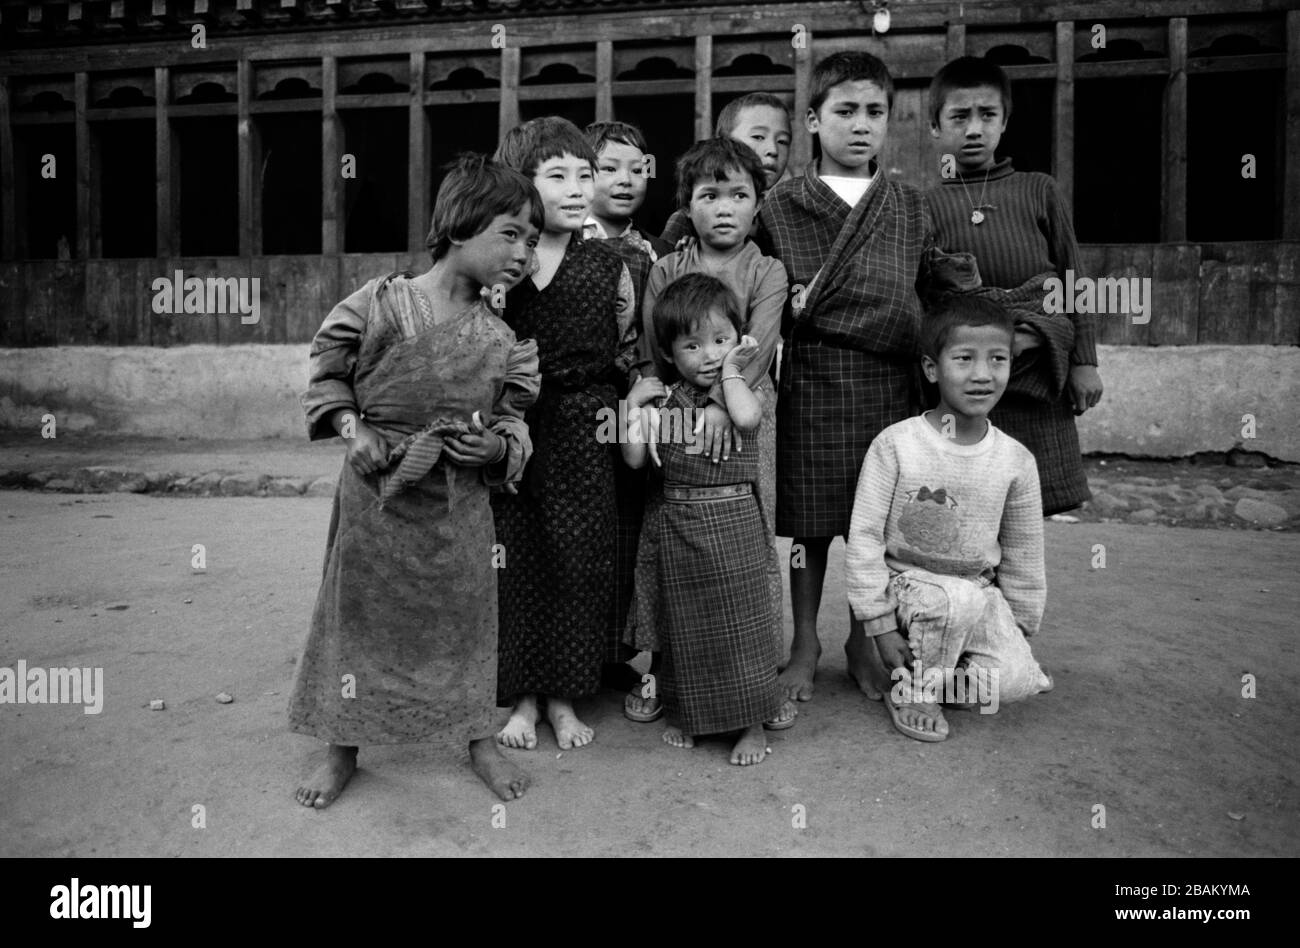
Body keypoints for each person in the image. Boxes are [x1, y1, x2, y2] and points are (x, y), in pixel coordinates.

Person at [290, 154, 543, 806]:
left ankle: (477, 739)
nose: (523, 253)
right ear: (459, 225)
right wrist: (355, 429)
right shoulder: (377, 303)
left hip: (459, 507)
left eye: (533, 241)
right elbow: (327, 374)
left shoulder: (504, 341)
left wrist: (493, 445)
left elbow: (515, 424)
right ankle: (342, 747)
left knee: (466, 624)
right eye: (510, 233)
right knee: (357, 622)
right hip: (376, 498)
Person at [757, 51, 934, 704]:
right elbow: (752, 280)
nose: (862, 125)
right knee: (810, 524)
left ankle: (866, 638)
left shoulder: (909, 206)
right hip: (814, 379)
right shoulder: (781, 205)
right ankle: (806, 642)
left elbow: (931, 291)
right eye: (845, 111)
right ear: (812, 118)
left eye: (875, 112)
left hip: (889, 385)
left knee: (880, 524)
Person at [624, 137, 790, 727]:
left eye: (738, 195)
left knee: (747, 545)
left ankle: (756, 676)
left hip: (745, 409)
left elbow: (762, 343)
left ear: (757, 205)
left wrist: (721, 403)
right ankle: (660, 667)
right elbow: (650, 345)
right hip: (673, 412)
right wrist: (658, 406)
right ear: (686, 205)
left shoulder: (768, 270)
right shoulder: (666, 267)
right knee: (663, 540)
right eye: (708, 195)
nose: (724, 207)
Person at [491, 117, 639, 751]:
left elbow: (630, 348)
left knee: (579, 561)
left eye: (588, 174)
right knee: (517, 557)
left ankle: (563, 698)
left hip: (588, 428)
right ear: (522, 186)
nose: (579, 188)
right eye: (558, 176)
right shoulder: (504, 264)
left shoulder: (613, 265)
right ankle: (522, 698)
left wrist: (636, 394)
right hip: (519, 428)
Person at [845, 295, 1054, 742]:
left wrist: (1014, 628)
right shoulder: (897, 445)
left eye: (997, 359)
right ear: (932, 368)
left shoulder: (1015, 460)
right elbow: (862, 537)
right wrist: (878, 625)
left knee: (1017, 681)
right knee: (954, 599)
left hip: (977, 595)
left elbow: (1023, 552)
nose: (982, 374)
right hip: (908, 590)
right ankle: (914, 689)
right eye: (964, 359)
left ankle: (938, 665)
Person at [924, 56, 1103, 514]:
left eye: (987, 115)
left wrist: (1084, 361)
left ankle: (1023, 588)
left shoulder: (1039, 189)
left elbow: (1072, 278)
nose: (974, 129)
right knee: (969, 503)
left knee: (1029, 504)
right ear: (935, 127)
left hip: (1037, 366)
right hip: (967, 376)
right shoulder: (924, 204)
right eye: (959, 117)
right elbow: (925, 294)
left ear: (1004, 121)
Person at [582, 120, 673, 698]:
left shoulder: (654, 251)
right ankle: (577, 655)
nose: (624, 180)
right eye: (608, 168)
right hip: (591, 399)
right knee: (588, 526)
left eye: (636, 170)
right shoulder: (570, 244)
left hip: (641, 403)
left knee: (630, 526)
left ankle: (617, 654)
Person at [660, 92, 793, 246]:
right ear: (725, 141)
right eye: (758, 137)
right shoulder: (690, 218)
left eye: (783, 141)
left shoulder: (787, 218)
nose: (773, 150)